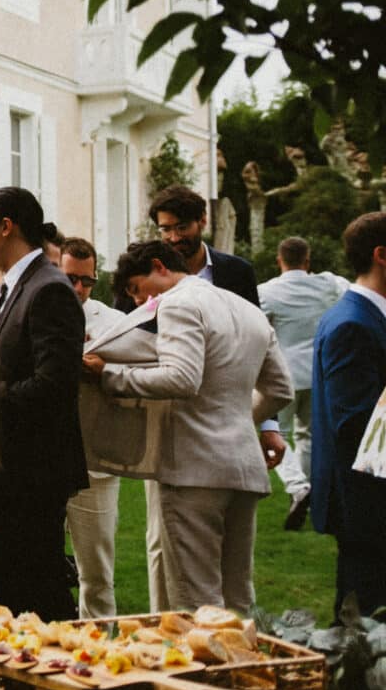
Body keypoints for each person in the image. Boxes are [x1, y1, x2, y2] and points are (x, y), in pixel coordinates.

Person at [89, 240, 291, 611]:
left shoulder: (179, 303)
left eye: (136, 289)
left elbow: (182, 379)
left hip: (193, 471)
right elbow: (280, 390)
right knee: (238, 599)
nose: (138, 302)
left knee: (195, 601)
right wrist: (237, 423)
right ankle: (244, 669)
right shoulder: (247, 308)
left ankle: (203, 671)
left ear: (159, 266)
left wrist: (110, 375)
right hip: (243, 465)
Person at [0, 186, 84, 619]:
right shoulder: (14, 287)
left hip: (33, 475)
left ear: (6, 226)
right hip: (12, 471)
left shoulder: (49, 288)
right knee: (18, 588)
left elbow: (54, 385)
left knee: (39, 595)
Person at [311, 211, 386, 612]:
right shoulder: (352, 325)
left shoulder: (368, 317)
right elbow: (357, 424)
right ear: (381, 255)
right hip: (367, 505)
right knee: (364, 627)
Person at [261, 236, 349, 530]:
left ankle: (298, 488)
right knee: (308, 435)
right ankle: (308, 492)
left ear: (279, 260)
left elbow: (259, 329)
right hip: (320, 372)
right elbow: (348, 292)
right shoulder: (328, 285)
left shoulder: (268, 292)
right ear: (307, 260)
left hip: (284, 375)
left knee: (278, 433)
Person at [58, 236, 126, 617]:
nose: (79, 289)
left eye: (87, 281)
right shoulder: (38, 310)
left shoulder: (114, 323)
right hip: (47, 458)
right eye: (71, 279)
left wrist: (103, 370)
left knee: (97, 572)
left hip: (95, 462)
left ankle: (102, 651)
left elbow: (133, 377)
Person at [113, 185, 259, 310]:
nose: (174, 238)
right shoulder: (141, 276)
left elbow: (255, 329)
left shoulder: (238, 272)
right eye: (166, 229)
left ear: (202, 220)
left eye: (182, 228)